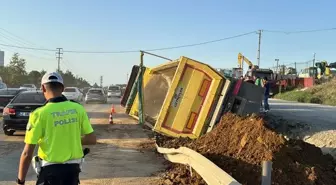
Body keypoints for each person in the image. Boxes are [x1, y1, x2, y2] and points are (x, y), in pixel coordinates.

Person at [17, 72, 97, 185]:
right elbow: (92, 139)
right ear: (63, 88)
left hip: (49, 173)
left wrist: (21, 181)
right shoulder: (78, 109)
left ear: (43, 88)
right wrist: (71, 139)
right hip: (72, 172)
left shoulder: (39, 114)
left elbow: (27, 153)